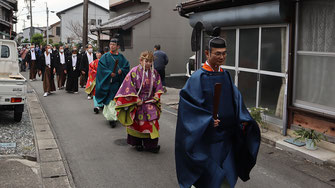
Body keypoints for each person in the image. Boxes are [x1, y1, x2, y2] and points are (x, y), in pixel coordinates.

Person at [175, 37, 260, 188]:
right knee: (211, 178)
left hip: (226, 137)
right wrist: (206, 120)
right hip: (206, 138)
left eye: (224, 53)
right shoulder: (197, 78)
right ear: (207, 53)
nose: (222, 57)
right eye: (217, 54)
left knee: (227, 175)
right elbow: (188, 108)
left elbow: (236, 100)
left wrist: (244, 118)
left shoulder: (225, 75)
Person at [115, 51, 163, 153]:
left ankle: (151, 145)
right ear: (141, 61)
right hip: (138, 102)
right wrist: (135, 99)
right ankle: (137, 143)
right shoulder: (133, 72)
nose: (149, 64)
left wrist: (156, 96)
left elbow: (159, 86)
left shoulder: (154, 73)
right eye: (146, 61)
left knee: (152, 123)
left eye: (150, 61)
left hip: (150, 102)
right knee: (137, 124)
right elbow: (127, 87)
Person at [95, 37, 130, 128]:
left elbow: (126, 66)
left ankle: (115, 116)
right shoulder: (105, 57)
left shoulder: (121, 57)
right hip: (109, 83)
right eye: (110, 44)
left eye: (114, 45)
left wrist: (121, 70)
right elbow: (101, 69)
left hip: (118, 83)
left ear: (118, 46)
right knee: (110, 101)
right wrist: (109, 73)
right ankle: (111, 119)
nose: (112, 46)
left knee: (117, 100)